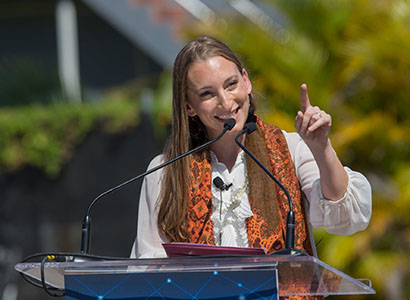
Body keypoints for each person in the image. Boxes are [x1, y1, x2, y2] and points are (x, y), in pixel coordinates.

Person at [130, 35, 371, 260]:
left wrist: (321, 147)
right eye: (207, 94)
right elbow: (150, 265)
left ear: (246, 81)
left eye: (231, 84)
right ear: (189, 106)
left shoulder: (291, 149)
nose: (226, 102)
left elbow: (347, 220)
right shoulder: (165, 170)